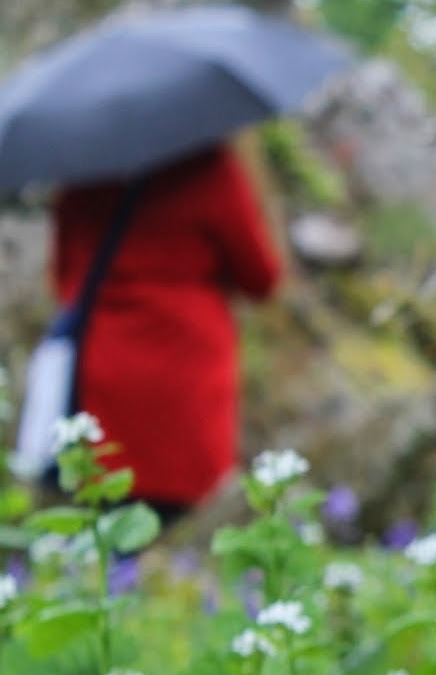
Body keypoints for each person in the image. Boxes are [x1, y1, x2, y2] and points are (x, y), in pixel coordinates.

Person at [51, 143, 281, 524]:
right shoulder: (210, 167)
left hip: (107, 362)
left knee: (108, 512)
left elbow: (66, 280)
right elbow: (261, 279)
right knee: (191, 524)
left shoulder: (81, 171)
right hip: (189, 371)